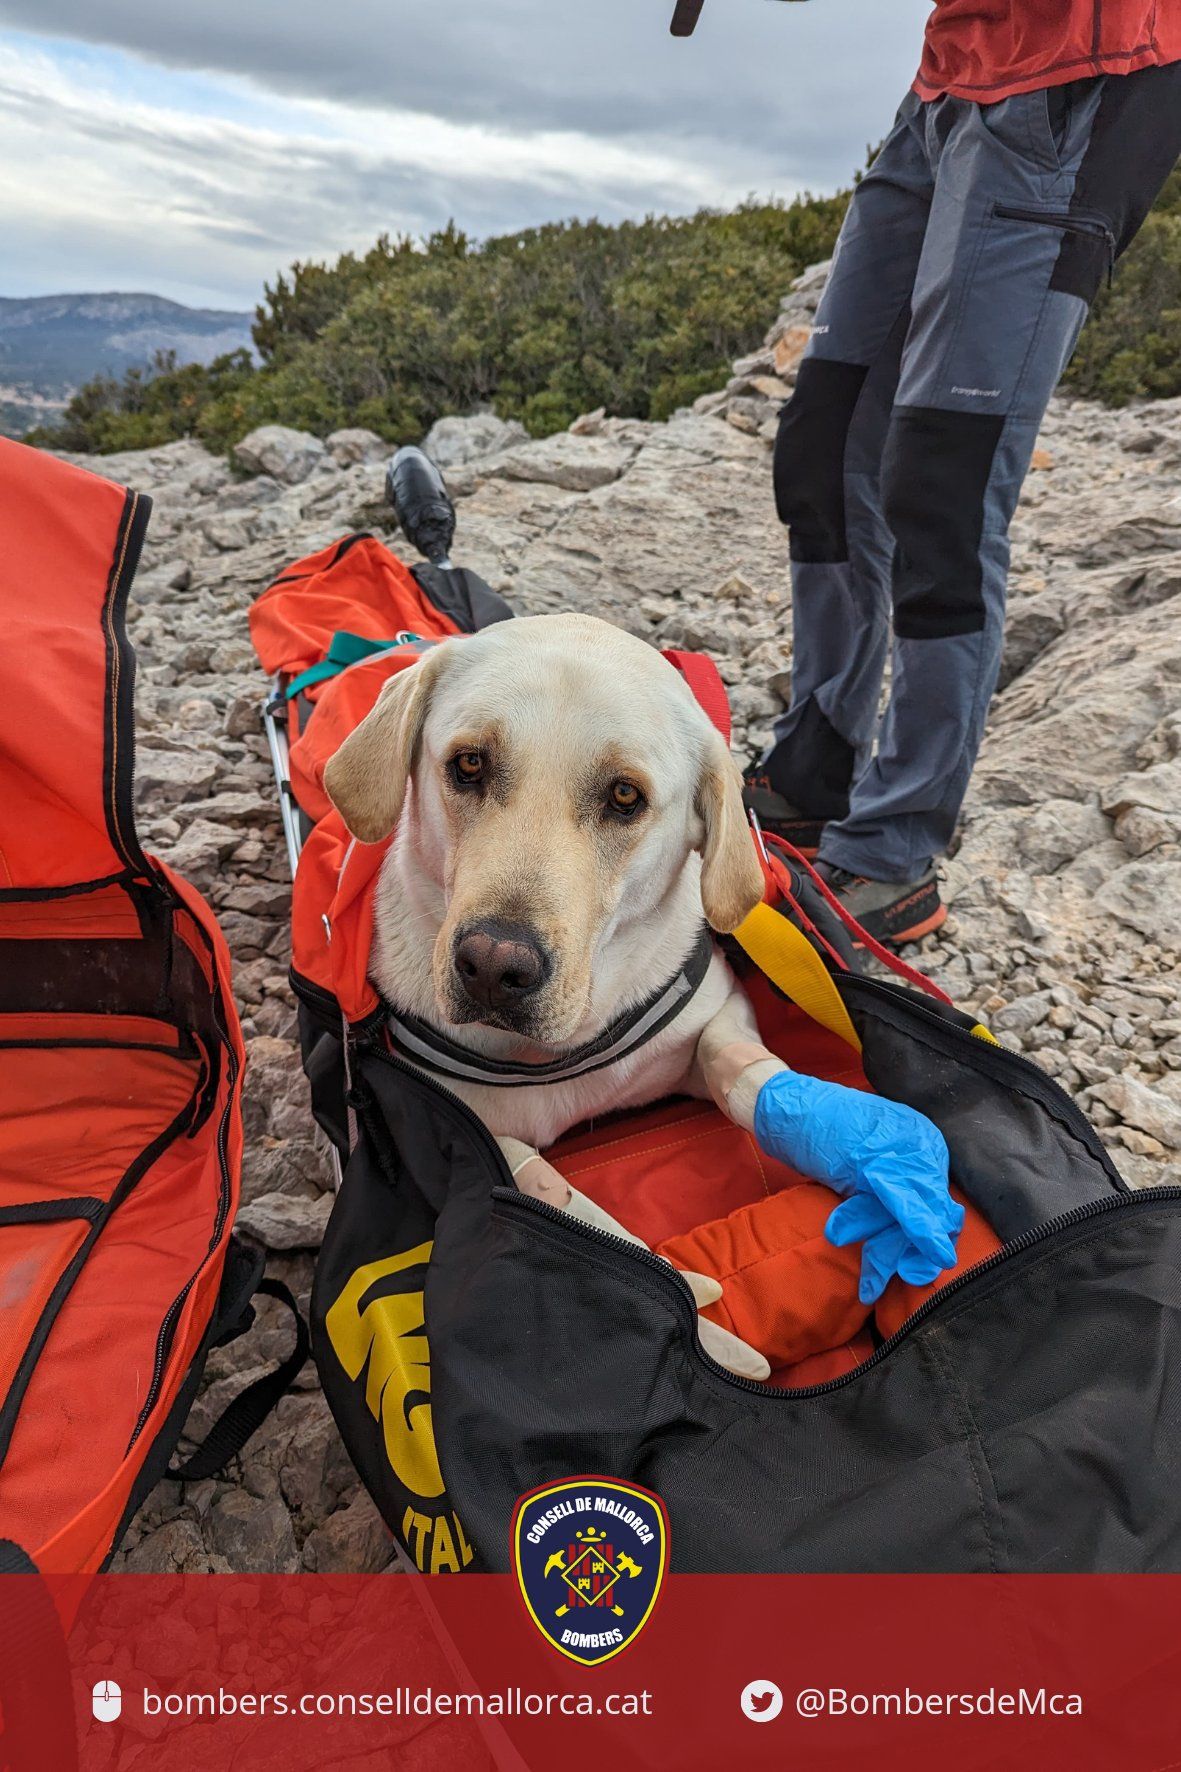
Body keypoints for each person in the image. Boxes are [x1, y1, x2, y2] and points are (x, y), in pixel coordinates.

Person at [718, 3, 1181, 945]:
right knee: (826, 437)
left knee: (944, 484)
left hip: (1081, 80)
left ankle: (894, 851)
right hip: (949, 80)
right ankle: (817, 765)